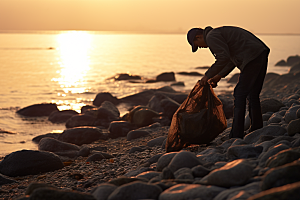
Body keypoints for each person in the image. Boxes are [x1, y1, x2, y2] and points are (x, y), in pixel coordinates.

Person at [187, 26, 270, 139]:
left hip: (252, 57)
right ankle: (257, 129)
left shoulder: (211, 37)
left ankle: (236, 134)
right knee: (253, 94)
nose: (200, 47)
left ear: (198, 36)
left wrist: (207, 76)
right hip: (260, 52)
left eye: (197, 45)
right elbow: (230, 59)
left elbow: (223, 58)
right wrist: (219, 76)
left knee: (239, 94)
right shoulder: (218, 33)